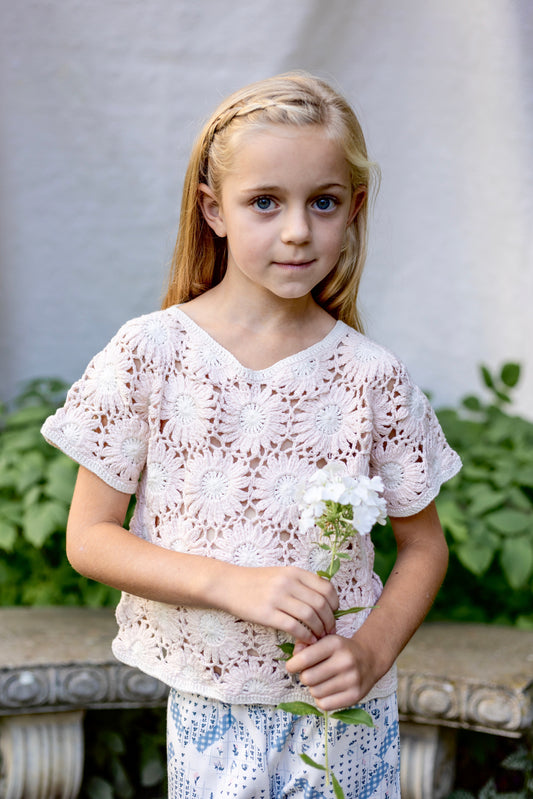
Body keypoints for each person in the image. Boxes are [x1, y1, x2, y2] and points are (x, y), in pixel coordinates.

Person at [42, 71, 461, 798]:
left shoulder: (370, 376)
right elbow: (90, 537)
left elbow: (422, 545)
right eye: (265, 201)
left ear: (354, 209)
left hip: (344, 711)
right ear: (214, 210)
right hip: (214, 707)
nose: (297, 229)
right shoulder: (152, 354)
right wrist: (229, 583)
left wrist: (369, 651)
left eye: (322, 202)